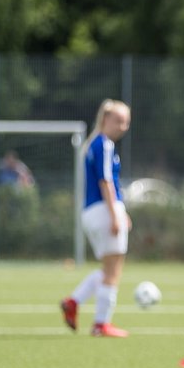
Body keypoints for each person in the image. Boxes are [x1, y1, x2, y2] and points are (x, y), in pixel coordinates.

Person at [60, 100, 133, 337]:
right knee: (114, 271)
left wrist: (122, 213)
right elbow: (106, 182)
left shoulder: (92, 144)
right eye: (119, 121)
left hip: (91, 211)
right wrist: (115, 215)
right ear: (104, 120)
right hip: (103, 210)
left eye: (127, 122)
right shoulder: (105, 144)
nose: (123, 126)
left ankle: (74, 301)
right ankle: (101, 324)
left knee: (107, 269)